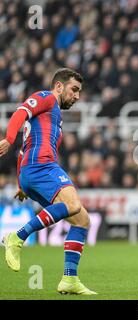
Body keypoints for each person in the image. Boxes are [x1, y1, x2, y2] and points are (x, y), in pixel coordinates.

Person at [0, 68, 97, 295]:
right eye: (74, 90)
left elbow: (25, 150)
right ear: (59, 86)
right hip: (41, 167)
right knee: (74, 205)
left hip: (31, 171)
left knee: (82, 220)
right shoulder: (45, 97)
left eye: (80, 92)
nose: (77, 96)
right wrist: (8, 139)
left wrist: (20, 184)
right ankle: (17, 237)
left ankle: (69, 279)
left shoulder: (53, 116)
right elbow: (20, 112)